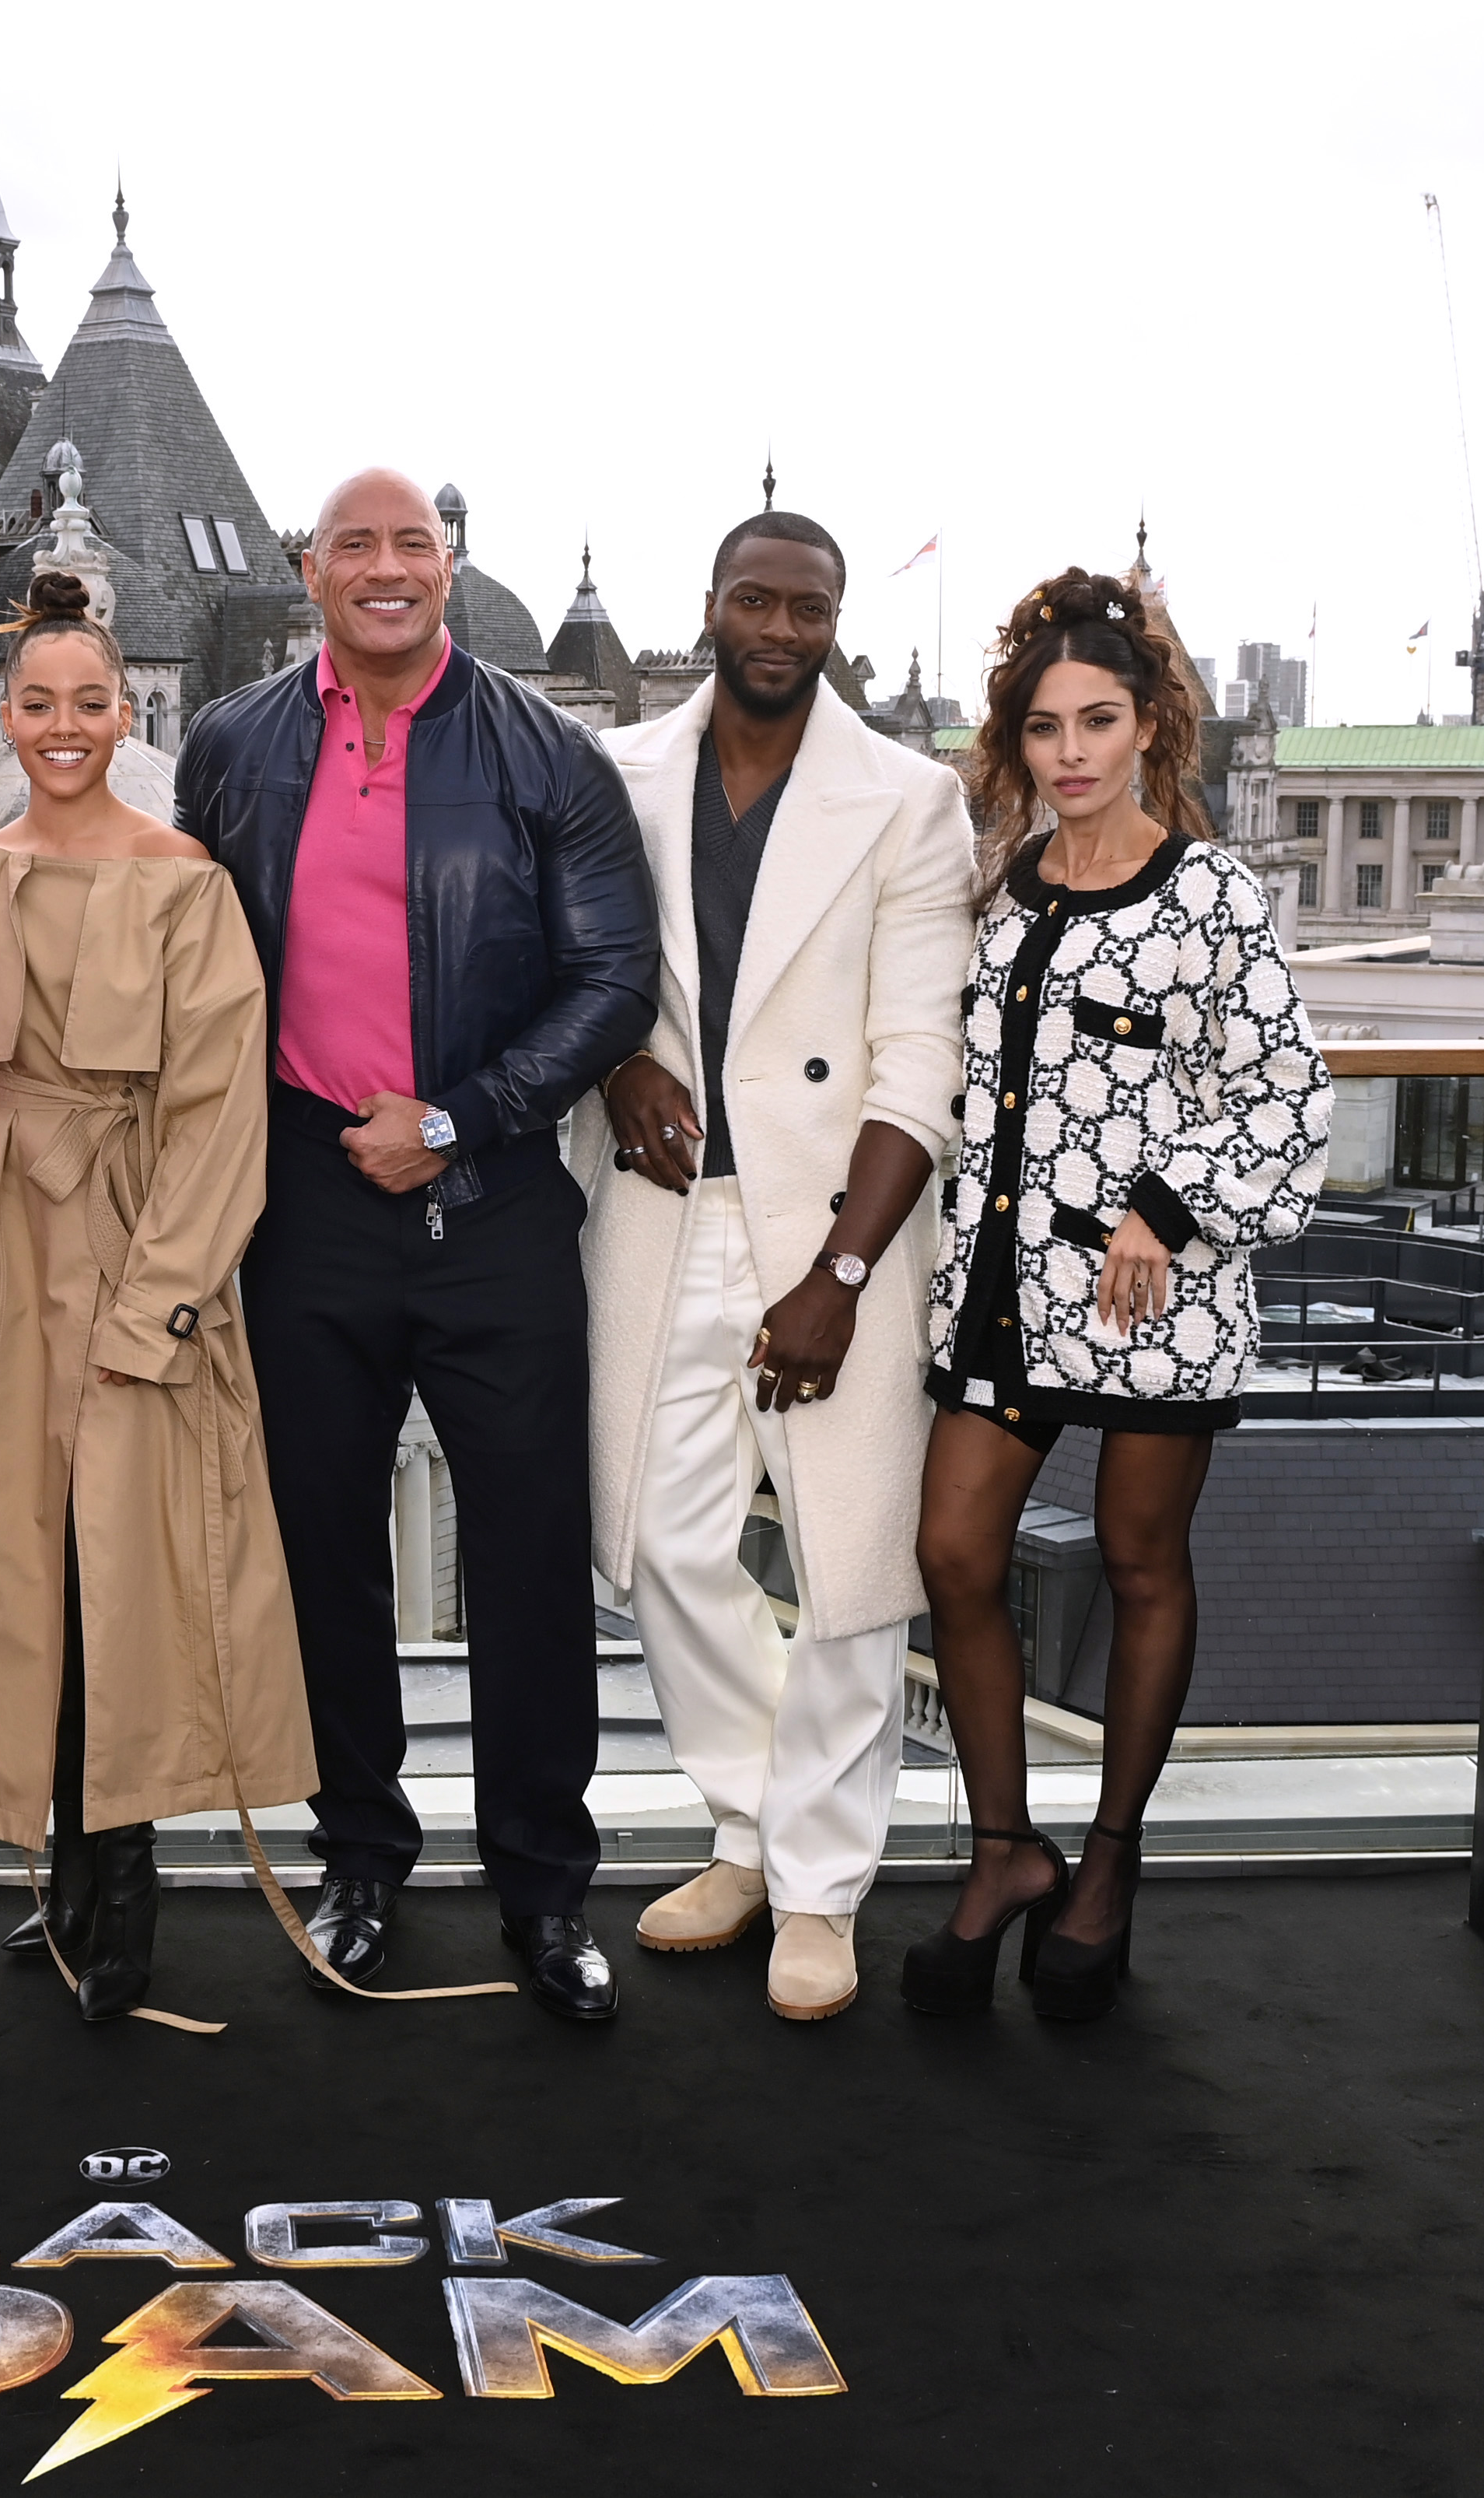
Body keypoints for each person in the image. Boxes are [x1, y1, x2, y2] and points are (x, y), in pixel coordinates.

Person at [175, 469, 657, 2022]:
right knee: (322, 1554)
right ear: (308, 569)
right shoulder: (231, 743)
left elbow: (613, 981)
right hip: (306, 1201)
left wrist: (456, 1118)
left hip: (492, 1199)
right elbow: (182, 961)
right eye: (355, 546)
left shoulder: (547, 752)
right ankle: (361, 1863)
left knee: (528, 1559)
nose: (385, 569)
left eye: (412, 546)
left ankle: (544, 1892)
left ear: (446, 567)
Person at [903, 566, 1332, 2023]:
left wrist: (1167, 1206)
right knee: (954, 1553)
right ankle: (1003, 1849)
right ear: (1013, 742)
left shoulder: (1210, 896)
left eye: (1097, 721)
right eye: (1043, 727)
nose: (1070, 752)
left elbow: (1287, 1099)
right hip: (999, 1295)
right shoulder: (998, 891)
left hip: (1159, 1301)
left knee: (1143, 1565)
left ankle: (1106, 1862)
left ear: (1149, 725)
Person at [572, 512, 975, 2023]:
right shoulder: (613, 774)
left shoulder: (909, 800)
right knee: (661, 1538)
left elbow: (917, 1052)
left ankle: (817, 1886)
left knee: (847, 1564)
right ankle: (752, 1823)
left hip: (836, 1224)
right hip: (663, 1208)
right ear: (710, 606)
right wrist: (615, 1059)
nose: (779, 629)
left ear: (835, 624)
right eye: (756, 599)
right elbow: (572, 968)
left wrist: (840, 1273)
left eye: (808, 609)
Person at [0, 571, 315, 2023]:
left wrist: (162, 1304)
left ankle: (127, 1878)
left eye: (89, 703)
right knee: (20, 1565)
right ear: (2, 716)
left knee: (133, 1565)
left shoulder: (186, 879)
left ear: (126, 713)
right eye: (37, 703)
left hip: (137, 1237)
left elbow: (220, 1116)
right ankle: (66, 1862)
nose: (63, 726)